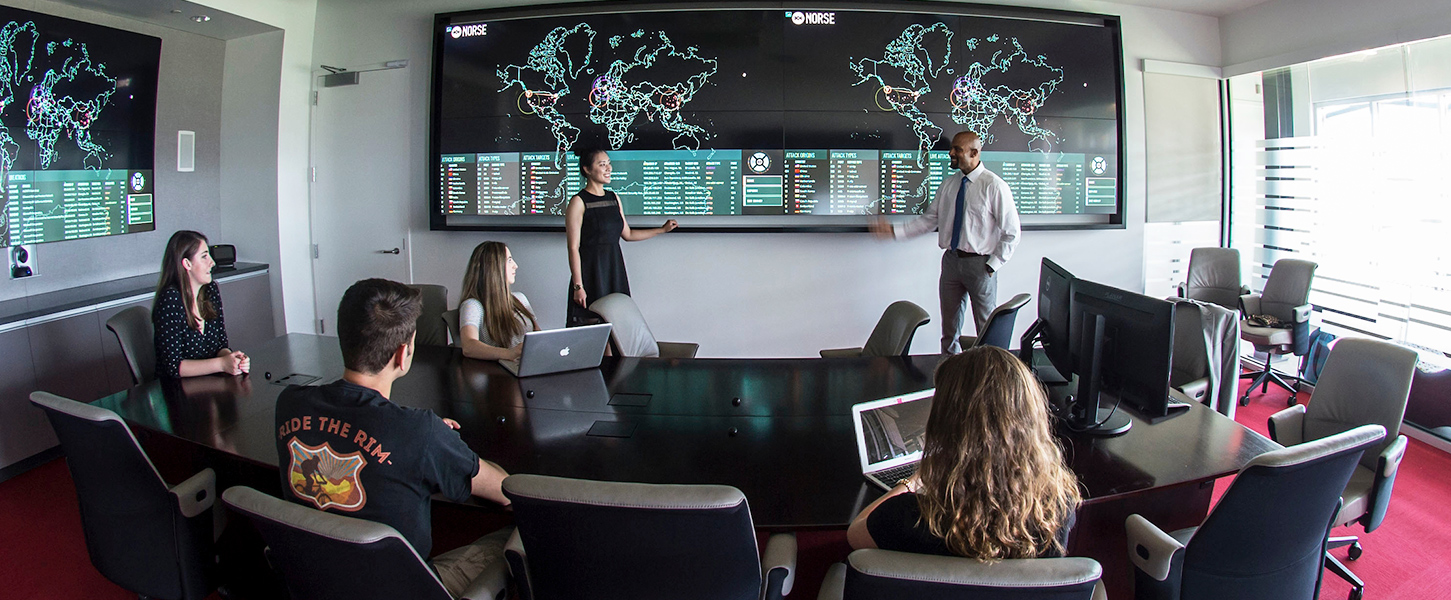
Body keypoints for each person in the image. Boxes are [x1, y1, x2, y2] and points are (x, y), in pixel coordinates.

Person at [274, 278, 512, 596]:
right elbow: (504, 491)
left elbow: (351, 431)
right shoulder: (420, 432)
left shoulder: (289, 403)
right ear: (404, 355)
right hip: (400, 589)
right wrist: (433, 439)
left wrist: (413, 433)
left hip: (317, 580)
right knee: (508, 540)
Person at [847, 346, 1080, 560]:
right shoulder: (1057, 508)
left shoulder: (909, 516)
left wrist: (912, 481)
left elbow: (856, 533)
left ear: (945, 423)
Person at [873, 131, 1020, 354]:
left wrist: (993, 265)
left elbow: (1012, 232)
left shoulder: (994, 186)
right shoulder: (950, 185)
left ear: (974, 153)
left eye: (957, 150)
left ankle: (991, 380)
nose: (951, 153)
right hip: (951, 263)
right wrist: (895, 231)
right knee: (949, 330)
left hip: (980, 265)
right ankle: (949, 374)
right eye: (952, 148)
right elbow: (928, 221)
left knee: (987, 330)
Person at [564, 147, 677, 327]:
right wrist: (579, 286)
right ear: (587, 169)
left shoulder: (614, 198)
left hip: (614, 269)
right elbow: (573, 248)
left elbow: (628, 234)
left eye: (609, 164)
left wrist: (661, 230)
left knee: (616, 327)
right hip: (591, 273)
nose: (608, 168)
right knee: (593, 327)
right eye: (602, 165)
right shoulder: (578, 201)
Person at [152, 230, 249, 379]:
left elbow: (220, 345)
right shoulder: (170, 300)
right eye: (204, 256)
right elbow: (173, 367)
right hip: (176, 390)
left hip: (209, 383)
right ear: (187, 264)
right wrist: (222, 364)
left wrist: (232, 359)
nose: (212, 262)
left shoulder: (211, 290)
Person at [458, 241, 539, 361]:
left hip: (531, 363)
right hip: (501, 373)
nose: (515, 265)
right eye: (509, 260)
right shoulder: (473, 306)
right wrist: (509, 353)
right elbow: (469, 346)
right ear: (493, 267)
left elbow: (538, 333)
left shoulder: (520, 298)